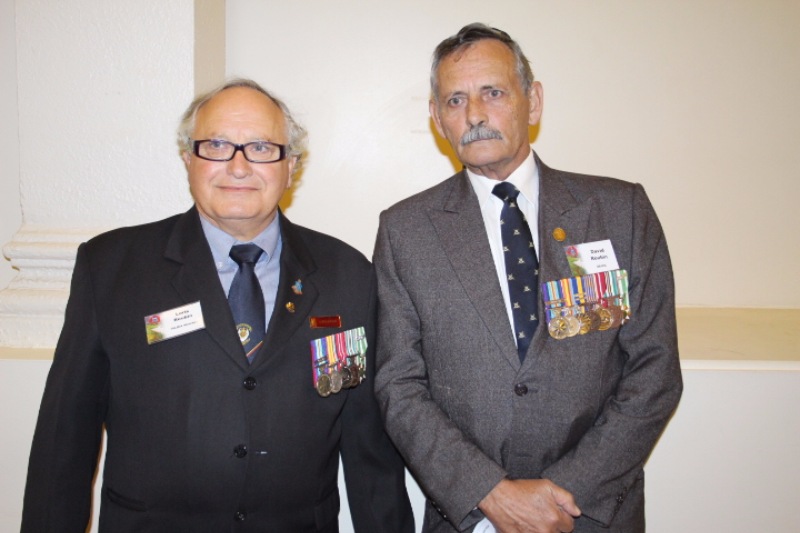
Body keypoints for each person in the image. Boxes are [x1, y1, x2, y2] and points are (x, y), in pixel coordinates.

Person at [22, 78, 414, 533]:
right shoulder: (111, 268)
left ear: (291, 166)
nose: (239, 166)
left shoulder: (346, 273)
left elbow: (370, 452)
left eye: (262, 147)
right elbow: (64, 440)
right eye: (217, 145)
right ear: (188, 158)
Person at [373, 23, 682, 533]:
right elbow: (398, 385)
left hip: (592, 513)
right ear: (437, 118)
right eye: (455, 100)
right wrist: (490, 494)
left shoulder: (619, 211)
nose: (474, 115)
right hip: (472, 517)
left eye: (493, 93)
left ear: (532, 102)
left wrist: (565, 493)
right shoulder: (405, 231)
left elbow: (655, 369)